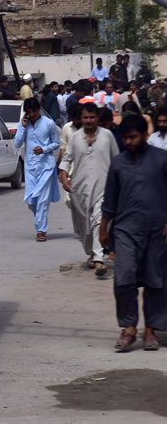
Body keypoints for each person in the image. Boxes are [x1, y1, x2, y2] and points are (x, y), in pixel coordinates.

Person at [100, 114, 167, 351]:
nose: (128, 142)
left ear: (145, 135)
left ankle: (150, 330)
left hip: (157, 231)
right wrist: (103, 228)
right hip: (125, 231)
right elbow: (110, 199)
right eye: (125, 138)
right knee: (124, 277)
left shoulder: (161, 160)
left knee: (155, 281)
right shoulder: (118, 163)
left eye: (133, 137)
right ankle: (128, 328)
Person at [59, 103, 119, 277]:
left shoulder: (107, 136)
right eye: (85, 117)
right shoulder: (76, 137)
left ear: (97, 118)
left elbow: (118, 161)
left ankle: (100, 259)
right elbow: (66, 160)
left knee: (100, 221)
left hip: (104, 188)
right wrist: (63, 177)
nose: (89, 121)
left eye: (92, 117)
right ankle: (92, 253)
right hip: (79, 190)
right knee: (84, 226)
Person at [13, 98, 60, 242]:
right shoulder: (24, 125)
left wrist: (44, 149)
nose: (32, 114)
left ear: (39, 109)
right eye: (29, 112)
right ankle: (40, 221)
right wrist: (22, 127)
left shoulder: (49, 124)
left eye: (34, 111)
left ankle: (41, 230)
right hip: (30, 167)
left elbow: (56, 143)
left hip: (46, 166)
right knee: (31, 201)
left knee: (43, 200)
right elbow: (17, 143)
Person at [58, 104, 83, 237]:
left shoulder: (89, 129)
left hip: (84, 169)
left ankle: (85, 227)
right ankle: (79, 227)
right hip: (70, 168)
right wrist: (61, 170)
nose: (76, 121)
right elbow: (63, 148)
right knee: (70, 200)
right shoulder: (67, 128)